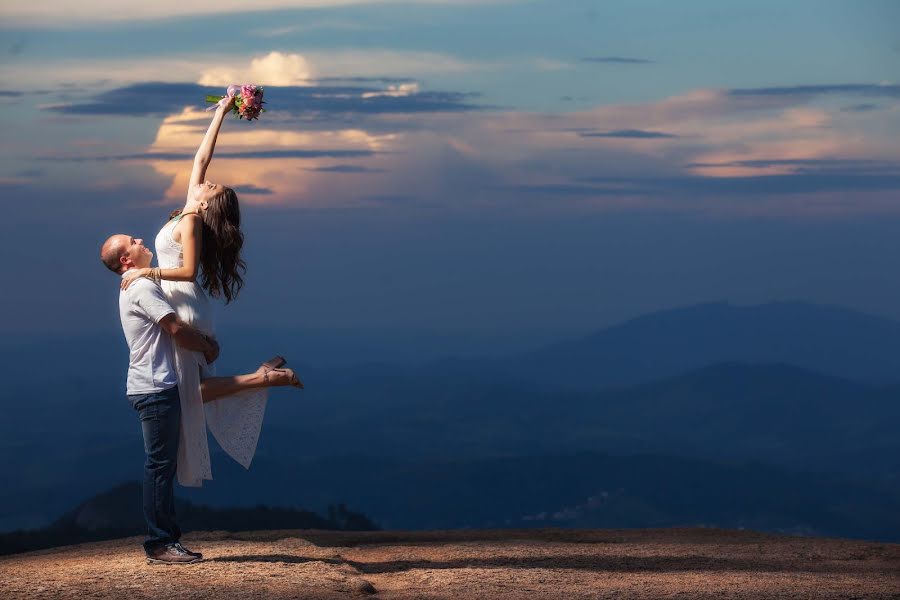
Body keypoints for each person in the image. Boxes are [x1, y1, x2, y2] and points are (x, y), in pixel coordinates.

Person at [119, 94, 302, 487]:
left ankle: (266, 379)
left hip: (183, 300)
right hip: (183, 300)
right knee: (191, 391)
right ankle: (264, 376)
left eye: (211, 188)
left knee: (191, 391)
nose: (205, 182)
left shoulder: (192, 224)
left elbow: (184, 271)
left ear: (207, 206)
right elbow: (200, 159)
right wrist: (222, 110)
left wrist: (144, 273)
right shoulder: (188, 209)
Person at [100, 233, 215, 564]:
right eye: (132, 241)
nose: (139, 239)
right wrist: (207, 346)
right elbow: (176, 328)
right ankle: (161, 542)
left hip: (153, 387)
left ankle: (163, 539)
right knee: (159, 467)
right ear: (127, 260)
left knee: (161, 465)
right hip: (154, 389)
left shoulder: (140, 283)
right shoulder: (141, 287)